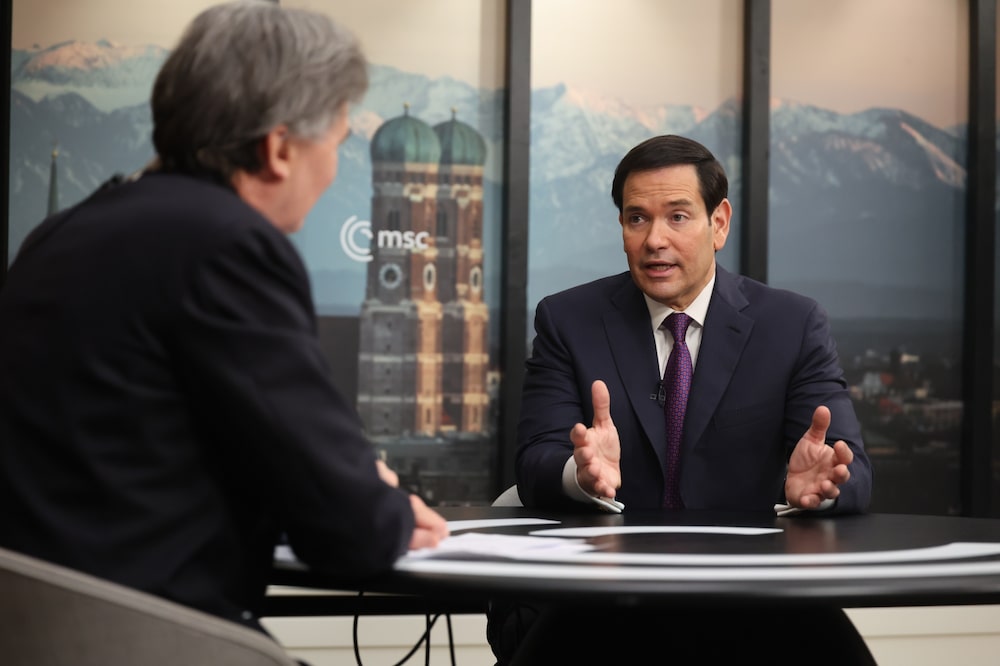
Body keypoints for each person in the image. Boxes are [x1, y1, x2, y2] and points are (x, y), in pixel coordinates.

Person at [0, 0, 447, 643]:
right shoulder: (229, 246)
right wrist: (373, 496)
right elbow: (348, 532)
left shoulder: (62, 232)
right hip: (152, 637)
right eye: (338, 143)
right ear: (278, 150)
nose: (336, 167)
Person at [490, 134, 874, 665]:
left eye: (677, 216)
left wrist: (819, 489)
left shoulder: (791, 325)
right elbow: (534, 462)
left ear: (718, 224)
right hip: (604, 597)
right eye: (636, 219)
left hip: (755, 596)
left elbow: (852, 470)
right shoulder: (568, 321)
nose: (654, 240)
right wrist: (579, 477)